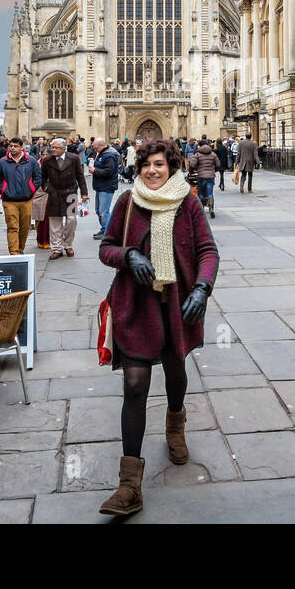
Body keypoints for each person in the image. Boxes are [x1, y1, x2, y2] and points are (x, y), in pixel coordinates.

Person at [97, 139, 218, 516]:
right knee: (134, 385)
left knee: (176, 370)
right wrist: (128, 255)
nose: (152, 170)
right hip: (136, 305)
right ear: (138, 167)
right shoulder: (127, 202)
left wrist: (202, 288)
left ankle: (175, 424)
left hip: (177, 305)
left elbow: (207, 251)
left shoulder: (188, 202)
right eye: (147, 164)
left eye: (160, 164)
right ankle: (129, 483)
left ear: (172, 168)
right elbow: (107, 247)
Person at [42, 137, 88, 259]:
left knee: (71, 221)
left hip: (70, 193)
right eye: (53, 147)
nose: (53, 150)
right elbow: (43, 178)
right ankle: (57, 248)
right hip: (54, 194)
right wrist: (47, 189)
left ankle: (68, 245)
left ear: (63, 148)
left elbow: (80, 176)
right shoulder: (47, 160)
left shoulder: (74, 158)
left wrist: (84, 193)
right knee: (55, 223)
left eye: (56, 148)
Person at [0, 137, 42, 256]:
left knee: (25, 227)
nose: (12, 148)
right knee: (12, 226)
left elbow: (38, 177)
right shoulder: (2, 162)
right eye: (11, 146)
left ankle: (20, 248)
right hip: (9, 200)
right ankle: (14, 251)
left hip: (26, 199)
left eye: (15, 146)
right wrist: (4, 191)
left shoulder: (31, 161)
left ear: (21, 147)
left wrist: (31, 190)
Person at [89, 138, 122, 239]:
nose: (95, 150)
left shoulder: (109, 155)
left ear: (102, 145)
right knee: (99, 210)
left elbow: (108, 172)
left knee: (104, 212)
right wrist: (92, 162)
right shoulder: (102, 154)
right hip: (100, 186)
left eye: (96, 148)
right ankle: (104, 229)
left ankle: (108, 232)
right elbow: (101, 165)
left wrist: (95, 170)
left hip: (106, 187)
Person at [190, 140, 218, 218]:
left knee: (201, 193)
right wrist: (214, 170)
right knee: (210, 193)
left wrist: (192, 171)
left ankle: (201, 209)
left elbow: (192, 164)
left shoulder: (197, 154)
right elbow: (218, 164)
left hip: (201, 176)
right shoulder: (213, 154)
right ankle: (211, 209)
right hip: (211, 177)